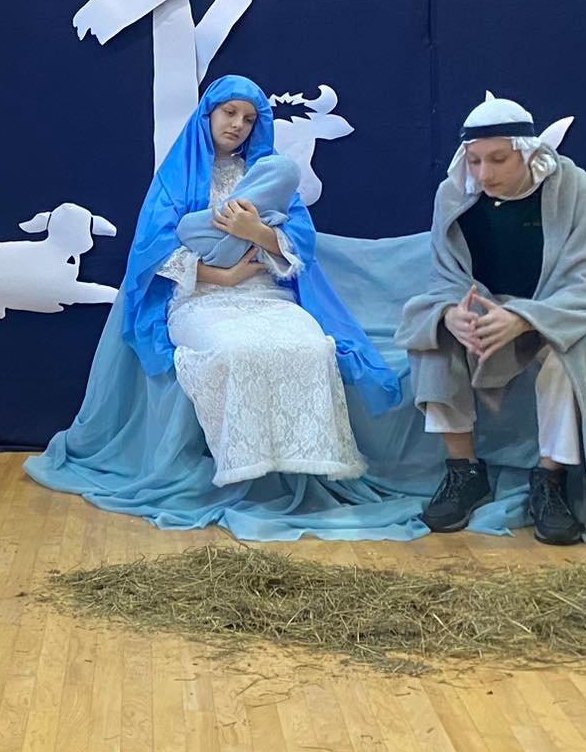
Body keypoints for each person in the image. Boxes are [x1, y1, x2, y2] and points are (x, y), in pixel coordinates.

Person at [117, 75, 401, 486]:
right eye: (229, 112)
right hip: (199, 296)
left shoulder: (269, 176)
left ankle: (306, 466)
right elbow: (152, 253)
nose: (238, 124)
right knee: (235, 350)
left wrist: (255, 232)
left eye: (249, 119)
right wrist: (222, 275)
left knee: (310, 347)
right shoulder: (174, 178)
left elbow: (300, 244)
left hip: (267, 294)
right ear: (208, 114)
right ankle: (246, 469)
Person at [398, 95, 586, 544]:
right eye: (474, 160)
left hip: (552, 313)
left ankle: (549, 481)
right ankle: (464, 471)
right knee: (433, 331)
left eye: (498, 159)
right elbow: (446, 277)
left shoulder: (573, 189)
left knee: (572, 351)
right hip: (484, 310)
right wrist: (454, 313)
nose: (484, 174)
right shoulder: (453, 194)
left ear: (528, 153)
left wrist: (523, 317)